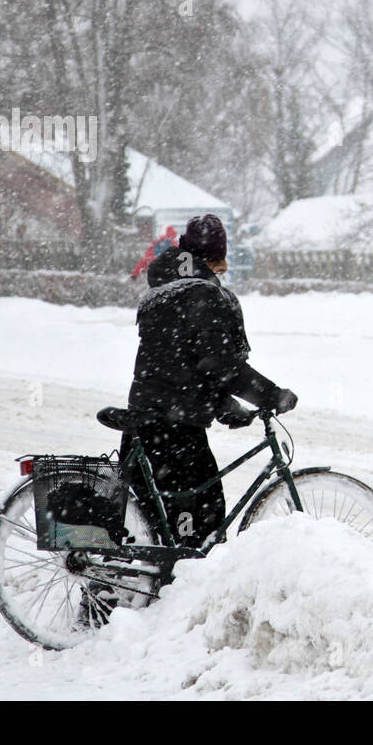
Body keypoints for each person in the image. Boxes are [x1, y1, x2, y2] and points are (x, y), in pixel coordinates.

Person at [124, 213, 296, 549]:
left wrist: (222, 404)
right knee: (199, 527)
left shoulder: (163, 293)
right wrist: (270, 395)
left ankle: (141, 587)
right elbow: (216, 362)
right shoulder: (203, 295)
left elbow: (182, 363)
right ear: (215, 258)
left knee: (158, 523)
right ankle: (182, 588)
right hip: (175, 432)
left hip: (151, 421)